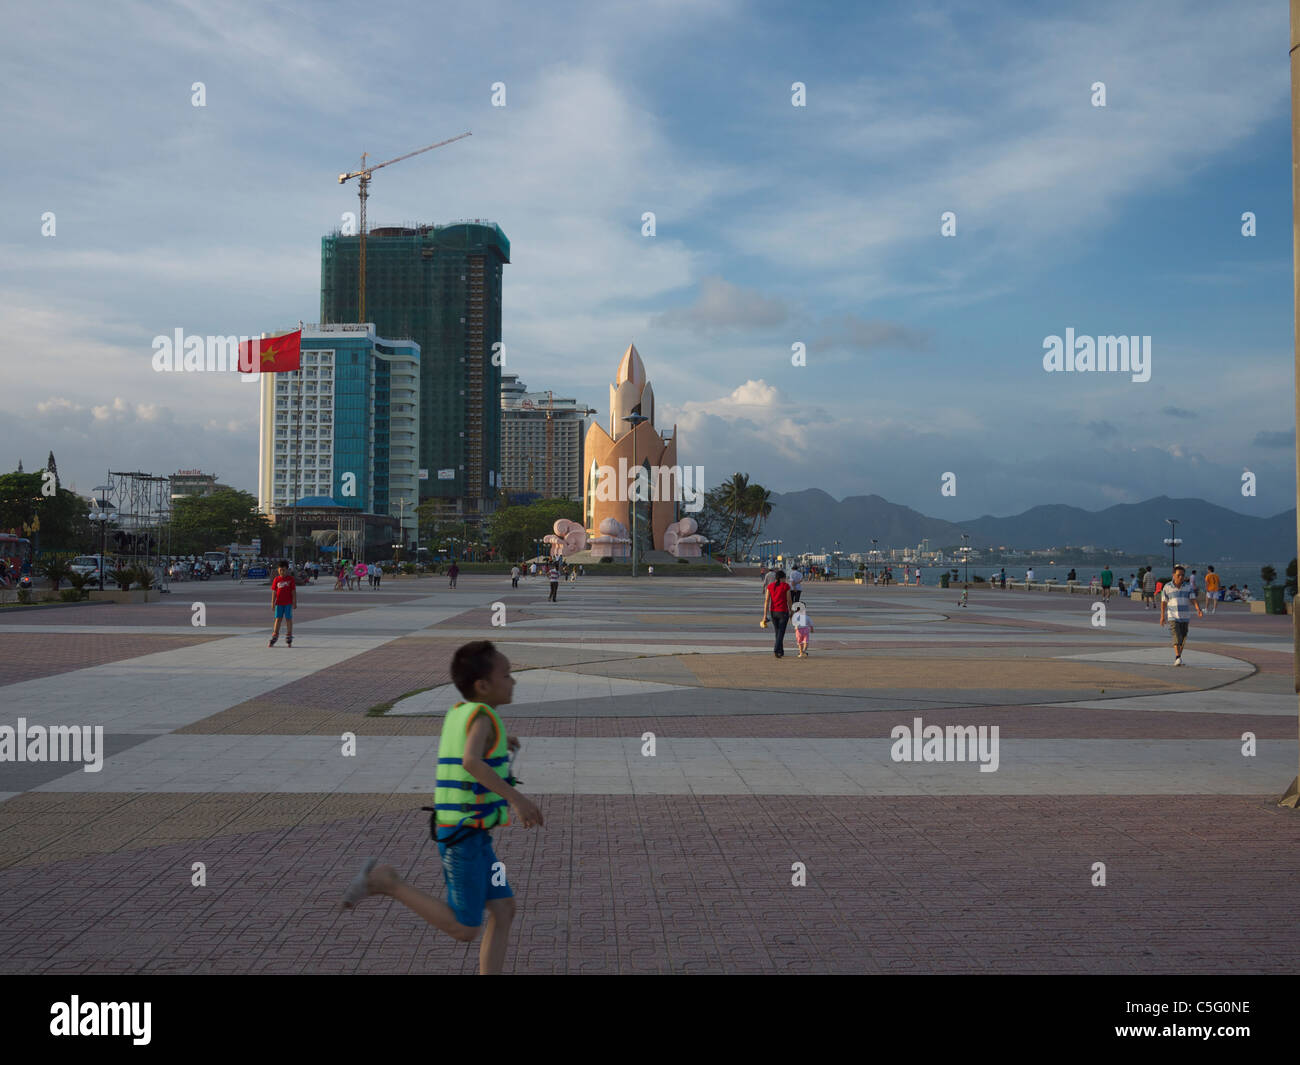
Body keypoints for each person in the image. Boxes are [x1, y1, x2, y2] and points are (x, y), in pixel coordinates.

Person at [340, 640, 543, 975]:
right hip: (462, 837)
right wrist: (517, 799)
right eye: (507, 675)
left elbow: (473, 747)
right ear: (483, 685)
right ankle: (387, 882)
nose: (513, 681)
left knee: (504, 908)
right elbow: (470, 762)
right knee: (465, 928)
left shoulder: (466, 713)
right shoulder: (481, 718)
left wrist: (500, 742)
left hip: (475, 837)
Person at [1159, 564, 1203, 666]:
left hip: (1185, 617)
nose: (1181, 577)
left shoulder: (1188, 587)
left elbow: (1193, 599)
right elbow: (1163, 602)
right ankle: (1178, 657)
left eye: (1183, 575)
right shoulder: (1167, 587)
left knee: (1183, 638)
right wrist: (1162, 616)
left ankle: (1178, 657)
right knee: (1176, 636)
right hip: (1172, 616)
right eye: (1178, 575)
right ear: (1173, 575)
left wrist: (1198, 609)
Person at [761, 569, 793, 658]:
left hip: (773, 612)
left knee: (777, 632)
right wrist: (792, 611)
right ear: (782, 578)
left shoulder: (770, 586)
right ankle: (776, 649)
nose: (785, 580)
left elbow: (766, 601)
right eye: (785, 578)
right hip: (783, 612)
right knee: (781, 632)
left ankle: (780, 651)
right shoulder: (786, 586)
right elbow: (789, 601)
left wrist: (764, 615)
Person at [268, 560, 297, 647]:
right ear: (278, 570)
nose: (282, 572)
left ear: (287, 570)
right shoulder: (276, 579)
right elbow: (274, 592)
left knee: (288, 619)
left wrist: (294, 602)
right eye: (280, 570)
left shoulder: (290, 579)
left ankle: (289, 634)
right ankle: (275, 634)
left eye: (284, 570)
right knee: (278, 619)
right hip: (279, 603)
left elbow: (293, 591)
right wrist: (272, 602)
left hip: (288, 603)